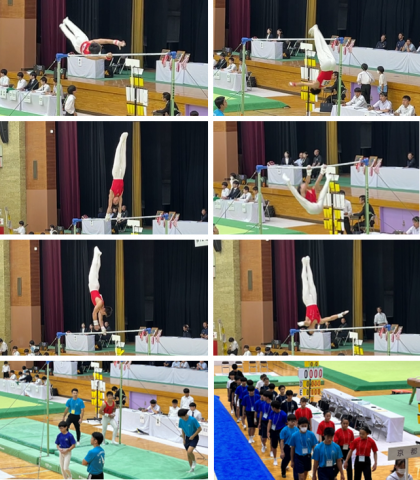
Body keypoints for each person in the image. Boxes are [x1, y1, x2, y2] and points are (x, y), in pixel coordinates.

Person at [298, 256, 348, 330]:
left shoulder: (308, 322)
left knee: (305, 282)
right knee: (311, 282)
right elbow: (330, 318)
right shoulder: (320, 321)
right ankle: (308, 264)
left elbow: (306, 323)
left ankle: (304, 264)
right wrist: (340, 314)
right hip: (314, 302)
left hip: (307, 302)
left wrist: (302, 323)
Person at [289, 25, 336, 95]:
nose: (312, 85)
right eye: (312, 87)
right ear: (314, 88)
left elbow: (325, 86)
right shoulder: (315, 85)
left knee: (324, 46)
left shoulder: (324, 85)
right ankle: (315, 29)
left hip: (332, 65)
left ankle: (317, 31)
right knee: (319, 47)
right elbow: (303, 83)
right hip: (325, 66)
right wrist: (294, 84)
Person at [60, 16, 125, 60]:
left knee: (76, 30)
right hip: (78, 48)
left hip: (82, 41)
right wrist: (107, 56)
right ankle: (62, 26)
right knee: (70, 36)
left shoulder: (91, 43)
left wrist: (116, 43)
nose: (101, 46)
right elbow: (101, 57)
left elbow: (105, 41)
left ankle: (66, 21)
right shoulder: (88, 55)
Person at [89, 247, 113, 333]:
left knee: (97, 269)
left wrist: (103, 328)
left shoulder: (101, 307)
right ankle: (96, 251)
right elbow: (94, 313)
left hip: (95, 286)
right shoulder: (100, 304)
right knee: (94, 267)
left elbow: (100, 319)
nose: (103, 315)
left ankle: (98, 255)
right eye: (104, 314)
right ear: (104, 310)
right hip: (93, 286)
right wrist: (95, 324)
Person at [106, 132, 128, 221]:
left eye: (115, 201)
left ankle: (120, 140)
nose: (117, 200)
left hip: (115, 174)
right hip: (121, 175)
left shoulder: (112, 193)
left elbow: (109, 206)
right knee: (123, 157)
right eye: (117, 202)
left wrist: (107, 215)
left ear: (113, 200)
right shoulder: (120, 195)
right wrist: (119, 214)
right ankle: (124, 140)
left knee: (118, 156)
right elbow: (120, 205)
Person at [178, 408, 202, 473]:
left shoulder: (192, 420)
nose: (181, 418)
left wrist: (193, 436)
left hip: (194, 437)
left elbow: (200, 429)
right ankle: (191, 469)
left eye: (182, 417)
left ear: (185, 415)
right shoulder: (181, 420)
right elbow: (183, 429)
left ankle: (194, 461)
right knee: (188, 454)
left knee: (189, 451)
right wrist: (183, 439)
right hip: (187, 438)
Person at [267, 400, 288, 466]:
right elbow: (269, 422)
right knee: (274, 446)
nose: (271, 408)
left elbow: (287, 423)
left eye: (272, 407)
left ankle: (285, 462)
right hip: (273, 431)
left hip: (281, 431)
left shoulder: (283, 414)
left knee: (283, 446)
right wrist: (268, 431)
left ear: (274, 408)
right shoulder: (271, 412)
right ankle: (275, 459)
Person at [280, 414, 299, 478]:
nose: (292, 423)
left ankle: (296, 475)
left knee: (295, 461)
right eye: (291, 421)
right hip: (287, 447)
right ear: (288, 421)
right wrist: (282, 451)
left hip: (295, 447)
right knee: (285, 461)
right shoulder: (284, 430)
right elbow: (282, 441)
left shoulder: (297, 429)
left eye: (294, 421)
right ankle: (283, 472)